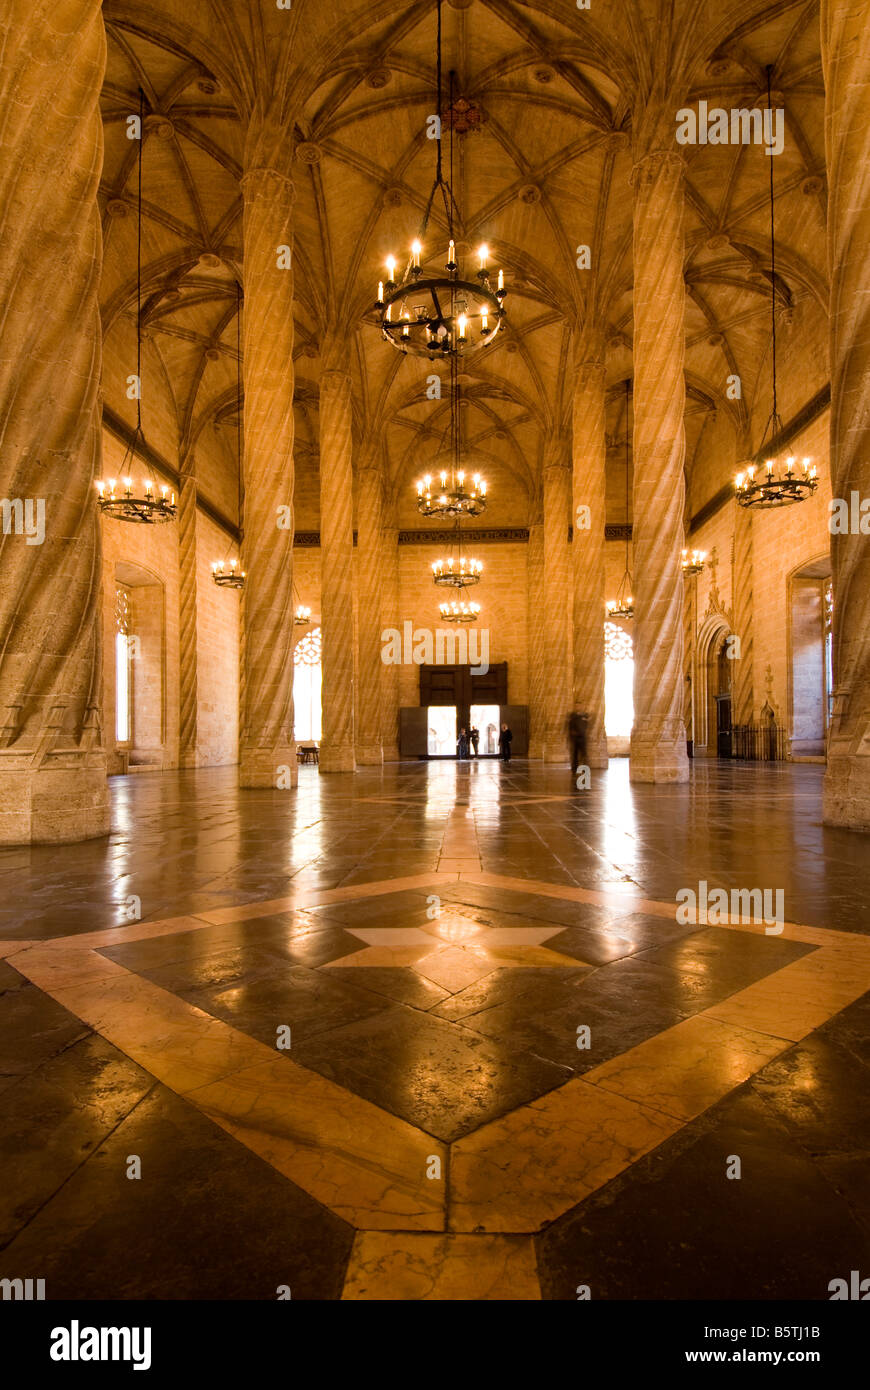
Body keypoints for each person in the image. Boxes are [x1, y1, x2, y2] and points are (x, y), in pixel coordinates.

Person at [568, 710, 589, 775]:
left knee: (583, 754)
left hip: (582, 738)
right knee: (575, 754)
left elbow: (586, 726)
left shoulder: (584, 716)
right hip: (576, 738)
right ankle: (575, 768)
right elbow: (571, 728)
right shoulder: (573, 717)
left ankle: (584, 768)